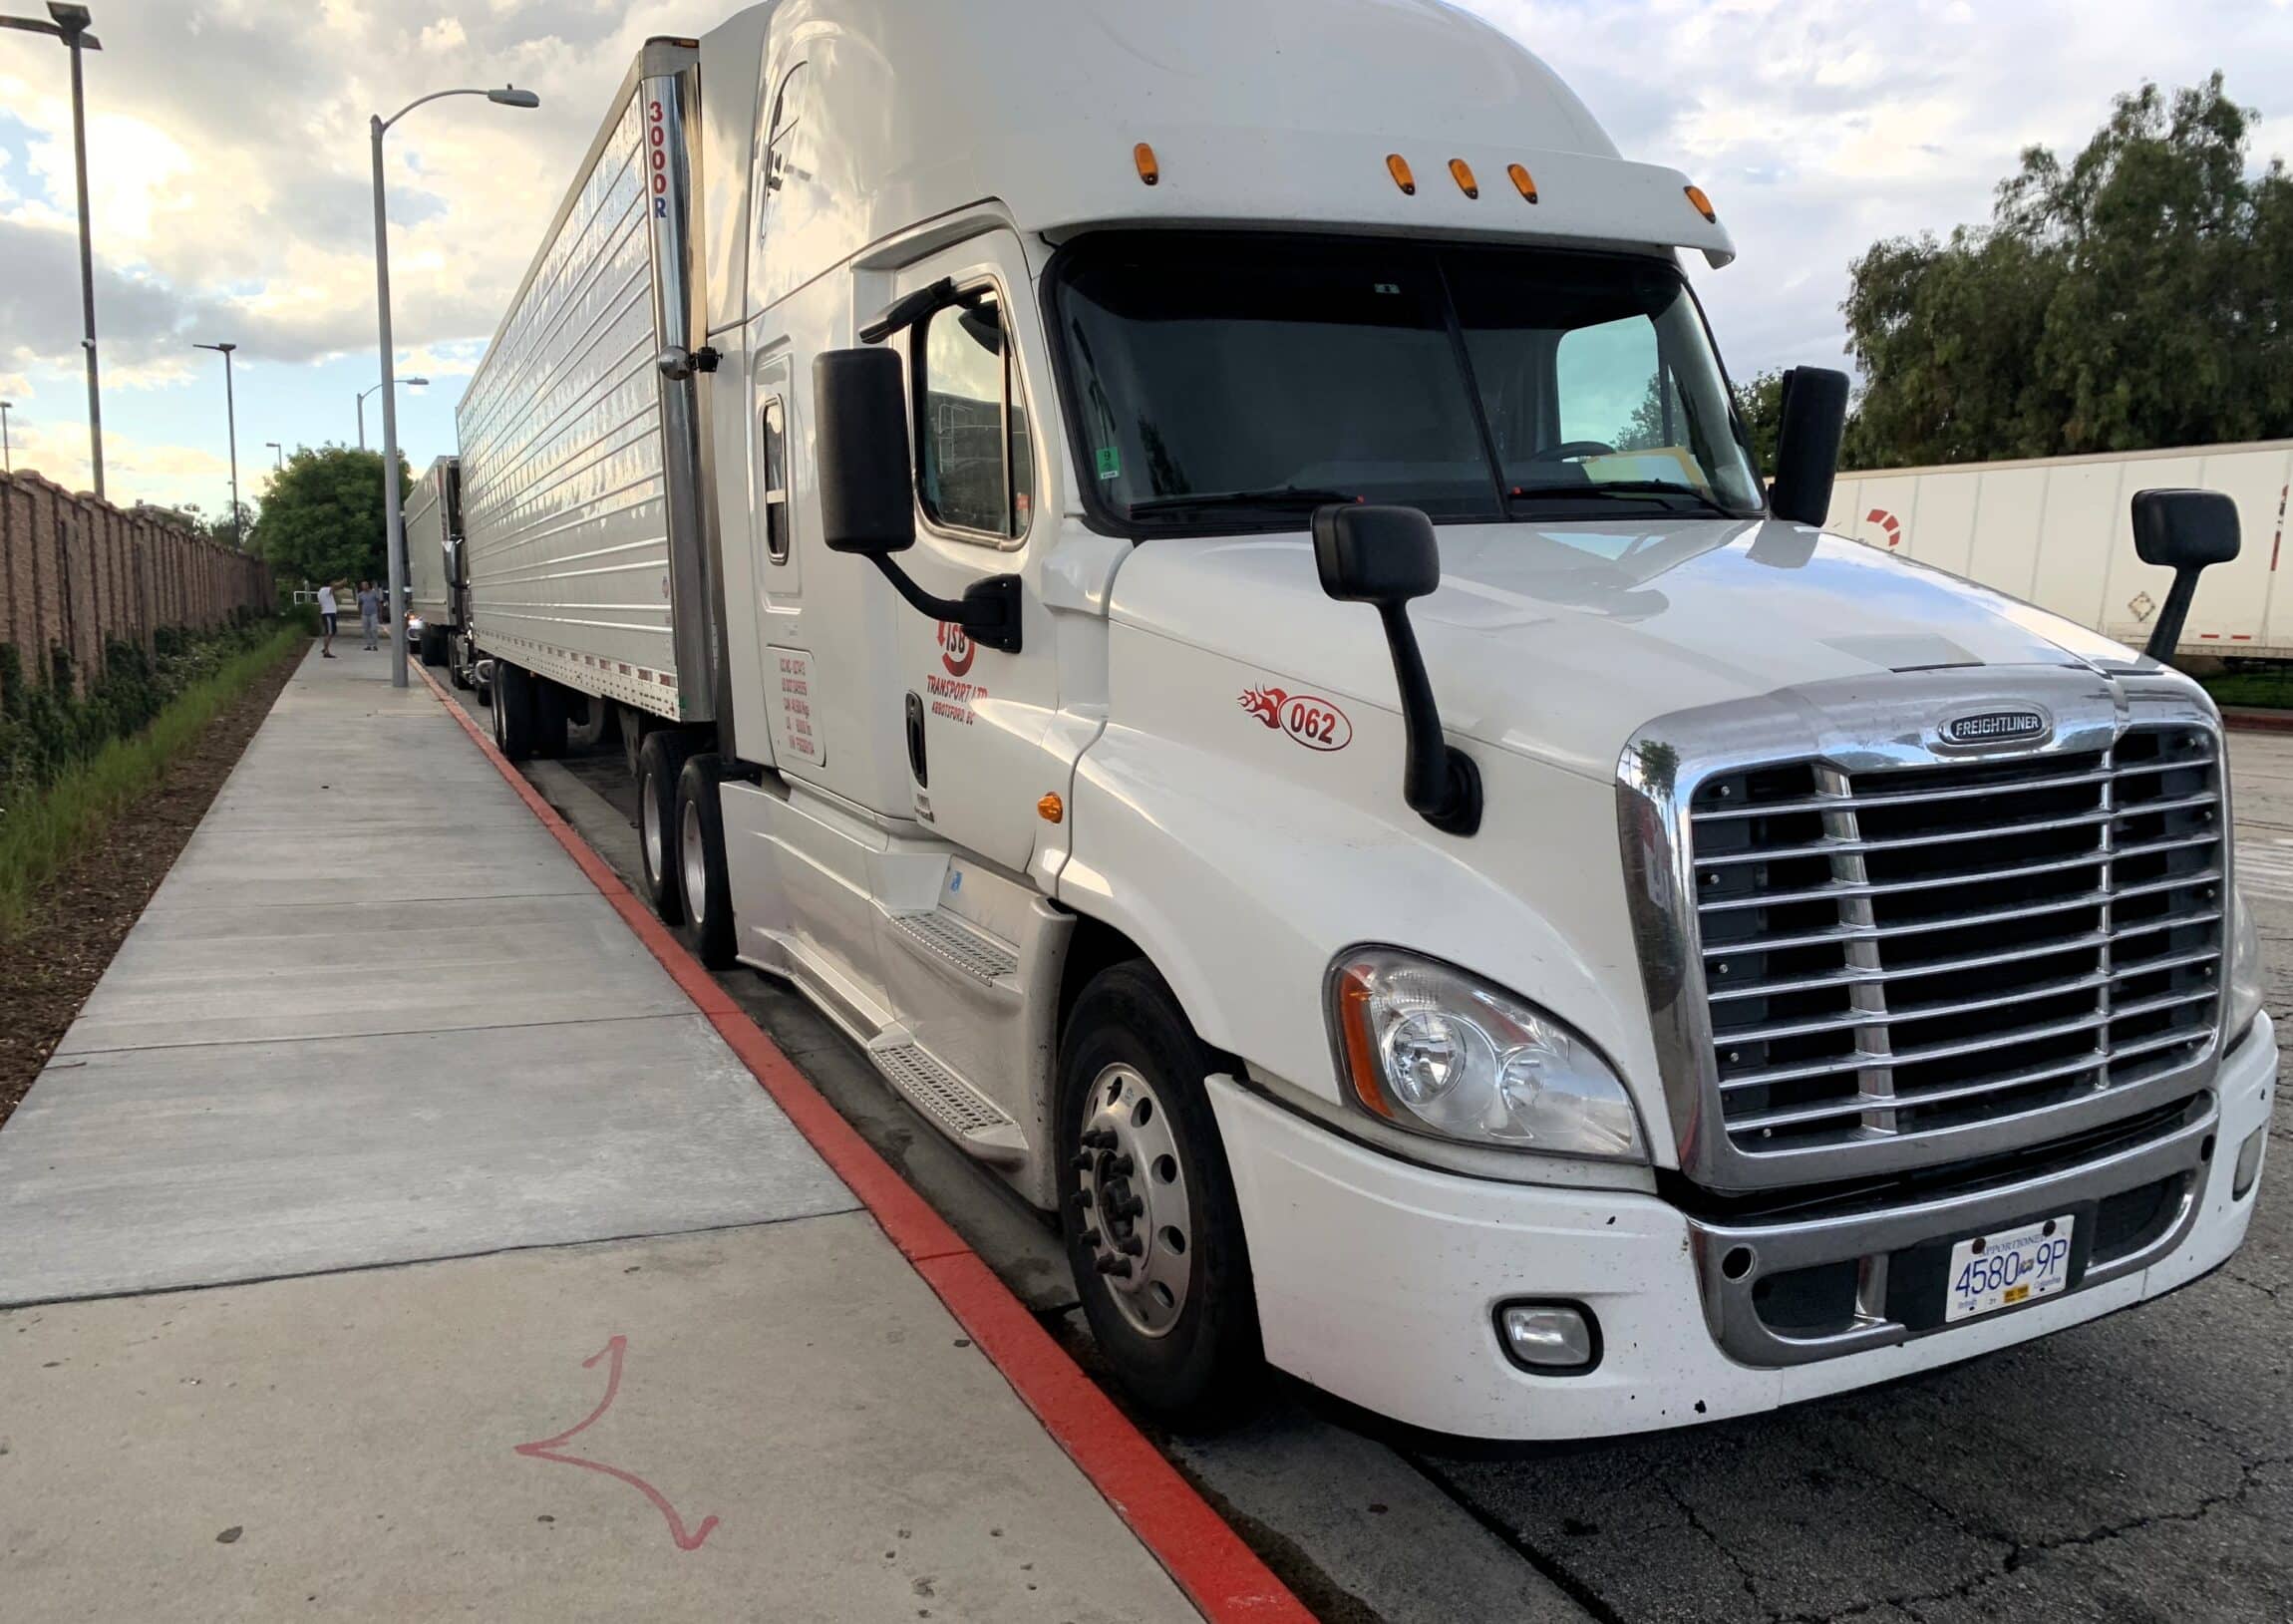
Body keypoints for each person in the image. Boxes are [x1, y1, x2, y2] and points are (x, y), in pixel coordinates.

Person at [356, 580, 384, 652]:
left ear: (368, 585)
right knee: (366, 630)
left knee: (374, 629)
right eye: (362, 585)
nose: (364, 586)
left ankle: (375, 645)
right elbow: (359, 604)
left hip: (373, 613)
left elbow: (378, 602)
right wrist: (360, 613)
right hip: (364, 614)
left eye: (365, 585)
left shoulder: (374, 593)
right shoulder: (360, 594)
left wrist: (380, 613)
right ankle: (368, 645)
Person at [316, 582, 340, 658]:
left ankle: (325, 647)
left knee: (332, 632)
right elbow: (335, 586)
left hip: (328, 613)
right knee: (329, 633)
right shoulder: (325, 590)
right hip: (328, 614)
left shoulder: (320, 592)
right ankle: (326, 651)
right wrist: (343, 581)